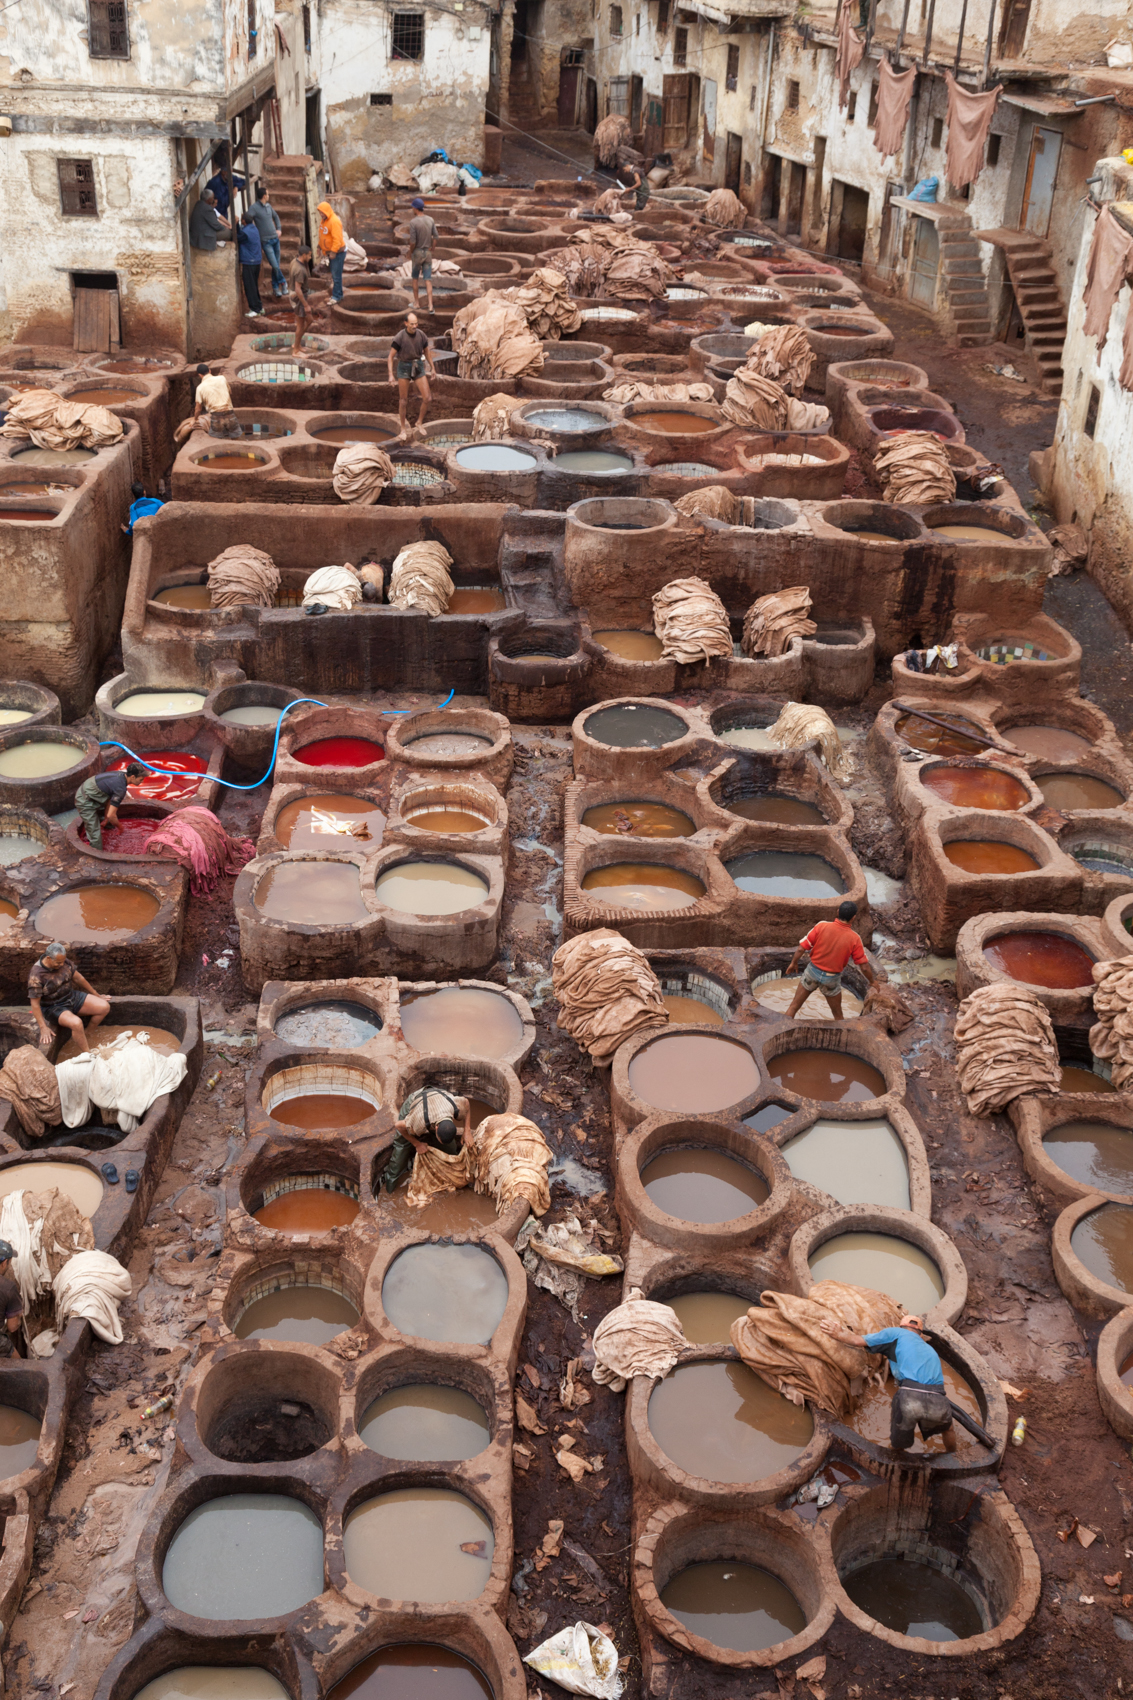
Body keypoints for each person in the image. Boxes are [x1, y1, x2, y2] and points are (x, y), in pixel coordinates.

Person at [820, 1312, 957, 1455]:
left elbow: (857, 1341)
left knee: (899, 1440)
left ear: (901, 1327)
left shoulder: (895, 1333)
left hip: (909, 1394)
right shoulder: (930, 1350)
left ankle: (896, 1459)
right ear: (921, 1335)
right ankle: (952, 1455)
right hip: (938, 1396)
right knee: (948, 1429)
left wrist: (839, 1334)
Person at [783, 899, 880, 1021]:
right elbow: (864, 967)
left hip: (812, 972)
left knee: (793, 1007)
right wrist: (872, 981)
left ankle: (782, 1029)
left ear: (838, 911)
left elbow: (801, 949)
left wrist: (793, 963)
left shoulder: (821, 926)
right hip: (831, 979)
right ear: (853, 918)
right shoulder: (854, 938)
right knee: (838, 1016)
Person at [382, 1083, 474, 1192]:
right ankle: (390, 1186)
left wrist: (467, 1131)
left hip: (439, 1099)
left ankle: (454, 1178)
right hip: (417, 1102)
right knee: (401, 1147)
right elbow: (398, 1126)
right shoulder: (417, 1121)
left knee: (451, 1150)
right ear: (435, 1128)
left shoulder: (455, 1107)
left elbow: (467, 1103)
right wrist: (417, 1144)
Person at [29, 945, 111, 1056]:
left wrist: (96, 994)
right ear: (48, 958)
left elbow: (78, 978)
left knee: (104, 1007)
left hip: (71, 997)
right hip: (53, 1007)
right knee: (76, 1023)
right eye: (58, 963)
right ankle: (88, 1054)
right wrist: (43, 1027)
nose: (62, 965)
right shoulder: (37, 975)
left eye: (62, 961)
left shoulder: (63, 961)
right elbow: (35, 1004)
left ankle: (88, 1033)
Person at [74, 763, 147, 851]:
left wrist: (106, 818)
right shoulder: (120, 789)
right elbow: (112, 815)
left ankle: (107, 825)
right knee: (94, 833)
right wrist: (120, 827)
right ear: (132, 777)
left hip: (92, 790)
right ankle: (97, 854)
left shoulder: (122, 776)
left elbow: (109, 799)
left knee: (107, 817)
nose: (142, 781)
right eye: (141, 779)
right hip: (84, 798)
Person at [387, 311, 435, 436]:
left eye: (416, 323)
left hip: (418, 365)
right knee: (403, 400)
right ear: (406, 323)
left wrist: (432, 367)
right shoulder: (400, 337)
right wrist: (391, 375)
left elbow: (427, 352)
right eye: (412, 324)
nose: (415, 326)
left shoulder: (421, 335)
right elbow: (390, 357)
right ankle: (402, 428)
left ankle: (419, 422)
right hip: (404, 366)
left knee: (427, 398)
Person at [250, 187, 287, 297]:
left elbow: (276, 217)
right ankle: (283, 282)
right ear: (264, 196)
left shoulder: (269, 206)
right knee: (275, 266)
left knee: (276, 266)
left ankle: (275, 288)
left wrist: (279, 228)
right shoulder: (254, 208)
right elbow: (247, 219)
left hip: (276, 240)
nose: (269, 196)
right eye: (268, 194)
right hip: (266, 242)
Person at [192, 363, 243, 439]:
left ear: (200, 375)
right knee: (236, 438)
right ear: (210, 371)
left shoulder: (200, 388)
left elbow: (198, 409)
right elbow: (230, 392)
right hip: (230, 414)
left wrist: (195, 419)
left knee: (215, 441)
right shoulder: (222, 378)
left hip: (216, 417)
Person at [406, 195, 438, 313]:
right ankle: (430, 306)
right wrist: (432, 249)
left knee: (415, 278)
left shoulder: (413, 222)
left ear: (416, 208)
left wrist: (410, 252)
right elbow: (436, 236)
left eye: (413, 208)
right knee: (428, 279)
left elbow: (413, 242)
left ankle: (417, 303)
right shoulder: (430, 220)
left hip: (418, 252)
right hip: (428, 253)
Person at [317, 199, 347, 303]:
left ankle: (336, 297)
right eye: (320, 212)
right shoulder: (324, 220)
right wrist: (319, 246)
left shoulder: (334, 221)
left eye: (322, 212)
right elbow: (322, 235)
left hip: (338, 253)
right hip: (331, 253)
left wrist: (333, 252)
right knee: (335, 275)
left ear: (327, 211)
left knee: (336, 275)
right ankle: (339, 294)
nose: (321, 214)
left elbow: (337, 239)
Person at [237, 210, 265, 316]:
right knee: (254, 285)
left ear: (243, 221)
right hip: (256, 261)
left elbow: (238, 237)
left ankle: (254, 309)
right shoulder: (254, 229)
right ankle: (259, 306)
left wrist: (235, 225)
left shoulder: (245, 232)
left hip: (249, 262)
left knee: (250, 286)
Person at [288, 243, 315, 353]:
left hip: (294, 295)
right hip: (298, 297)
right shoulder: (300, 270)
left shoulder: (294, 261)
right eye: (309, 255)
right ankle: (296, 351)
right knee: (300, 325)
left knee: (309, 320)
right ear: (303, 255)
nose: (310, 258)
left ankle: (297, 344)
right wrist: (306, 305)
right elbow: (298, 289)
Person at [0, 1243, 24, 1356]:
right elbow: (12, 1327)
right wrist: (18, 1317)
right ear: (5, 1263)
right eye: (10, 1262)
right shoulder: (8, 1287)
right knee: (17, 1363)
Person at [188, 188, 230, 252]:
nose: (213, 199)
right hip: (202, 236)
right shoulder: (207, 209)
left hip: (198, 233)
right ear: (209, 199)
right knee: (228, 233)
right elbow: (216, 225)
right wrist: (224, 228)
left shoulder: (199, 204)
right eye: (212, 197)